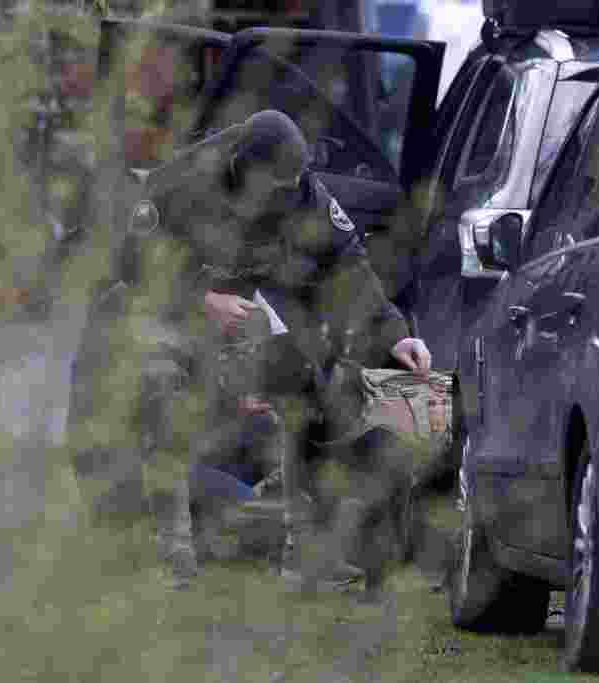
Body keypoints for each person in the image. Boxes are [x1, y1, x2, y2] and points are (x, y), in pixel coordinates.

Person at [145, 109, 432, 592]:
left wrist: (394, 335)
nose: (284, 194)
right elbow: (133, 265)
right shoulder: (183, 185)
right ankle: (171, 554)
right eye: (273, 185)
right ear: (242, 168)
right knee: (159, 384)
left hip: (247, 320)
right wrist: (199, 300)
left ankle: (309, 555)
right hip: (169, 312)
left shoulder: (305, 195)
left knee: (310, 381)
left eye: (291, 184)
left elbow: (349, 271)